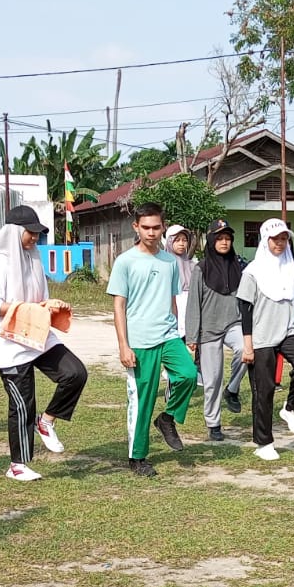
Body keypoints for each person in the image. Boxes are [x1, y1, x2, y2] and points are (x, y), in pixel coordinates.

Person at [0, 205, 89, 481]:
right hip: (10, 341)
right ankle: (18, 464)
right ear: (15, 231)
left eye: (37, 234)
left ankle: (48, 420)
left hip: (37, 333)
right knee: (22, 404)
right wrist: (30, 308)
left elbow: (40, 299)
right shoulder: (0, 261)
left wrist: (50, 305)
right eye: (31, 233)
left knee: (75, 373)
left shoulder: (34, 259)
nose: (34, 238)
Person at [108, 202, 198, 477]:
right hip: (139, 341)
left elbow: (172, 300)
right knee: (142, 401)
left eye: (156, 227)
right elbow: (118, 306)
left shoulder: (170, 261)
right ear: (136, 227)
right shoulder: (125, 261)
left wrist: (181, 335)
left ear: (163, 227)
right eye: (145, 227)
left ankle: (168, 418)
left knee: (188, 375)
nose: (151, 232)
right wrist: (124, 345)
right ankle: (138, 457)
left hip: (168, 335)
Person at [237, 217, 294, 462]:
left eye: (284, 239)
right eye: (275, 239)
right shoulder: (252, 272)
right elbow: (245, 310)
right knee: (264, 389)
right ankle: (264, 442)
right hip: (261, 335)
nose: (280, 243)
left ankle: (291, 409)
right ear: (265, 240)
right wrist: (247, 344)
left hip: (290, 330)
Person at [183, 219, 248, 440]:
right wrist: (192, 336)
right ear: (211, 240)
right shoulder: (200, 269)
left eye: (228, 238)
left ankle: (232, 389)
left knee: (246, 350)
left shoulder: (239, 266)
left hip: (233, 323)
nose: (224, 242)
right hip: (208, 330)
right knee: (212, 379)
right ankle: (214, 423)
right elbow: (193, 304)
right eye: (219, 238)